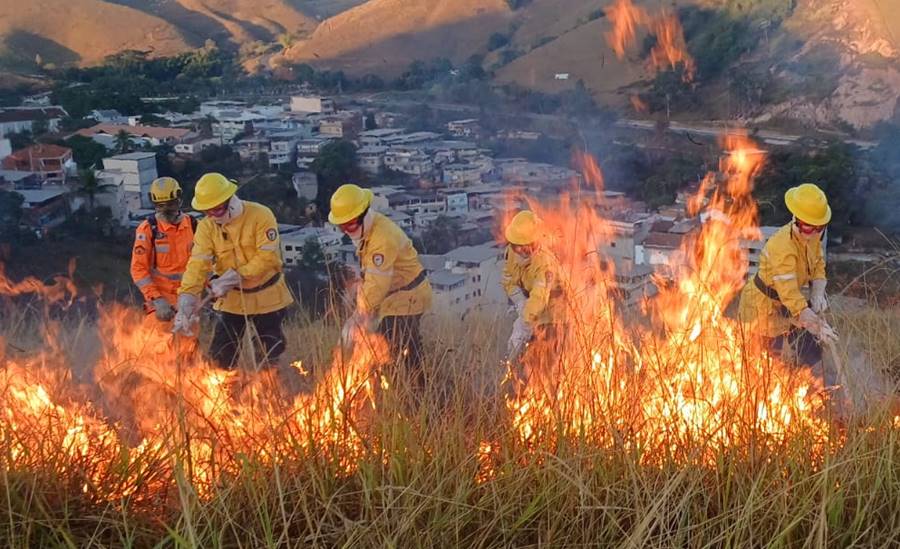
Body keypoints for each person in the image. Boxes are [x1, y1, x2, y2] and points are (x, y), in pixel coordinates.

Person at [172, 173, 293, 370]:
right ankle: (223, 394)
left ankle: (269, 393)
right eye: (208, 211)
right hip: (232, 300)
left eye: (218, 209)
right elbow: (197, 264)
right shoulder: (206, 227)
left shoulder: (260, 215)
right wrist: (186, 299)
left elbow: (267, 258)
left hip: (268, 296)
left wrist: (236, 276)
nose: (214, 215)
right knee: (220, 357)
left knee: (269, 355)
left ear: (230, 200)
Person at [329, 184, 432, 385]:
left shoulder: (381, 238)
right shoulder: (366, 229)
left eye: (349, 225)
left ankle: (415, 397)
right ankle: (413, 389)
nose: (346, 231)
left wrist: (358, 316)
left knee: (387, 345)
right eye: (341, 226)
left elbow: (377, 285)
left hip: (408, 297)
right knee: (403, 348)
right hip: (394, 297)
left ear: (363, 214)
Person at [739, 183, 837, 370]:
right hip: (763, 305)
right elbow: (789, 294)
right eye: (809, 228)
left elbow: (817, 264)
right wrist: (815, 324)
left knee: (811, 352)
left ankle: (810, 388)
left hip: (790, 303)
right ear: (797, 220)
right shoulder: (782, 246)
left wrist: (818, 291)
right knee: (767, 363)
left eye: (820, 228)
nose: (815, 234)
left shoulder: (813, 236)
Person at [130, 177, 197, 351]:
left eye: (170, 204)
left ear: (179, 200)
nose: (166, 210)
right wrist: (157, 300)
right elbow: (138, 269)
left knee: (188, 350)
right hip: (161, 301)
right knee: (156, 349)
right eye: (160, 206)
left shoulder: (194, 226)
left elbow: (204, 263)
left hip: (189, 299)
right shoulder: (148, 229)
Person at [501, 210, 562, 370]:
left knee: (546, 364)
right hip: (530, 307)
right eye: (518, 247)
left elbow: (539, 298)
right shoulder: (511, 253)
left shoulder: (544, 263)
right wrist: (520, 301)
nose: (523, 251)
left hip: (553, 316)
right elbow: (508, 280)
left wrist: (524, 323)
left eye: (528, 246)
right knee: (525, 363)